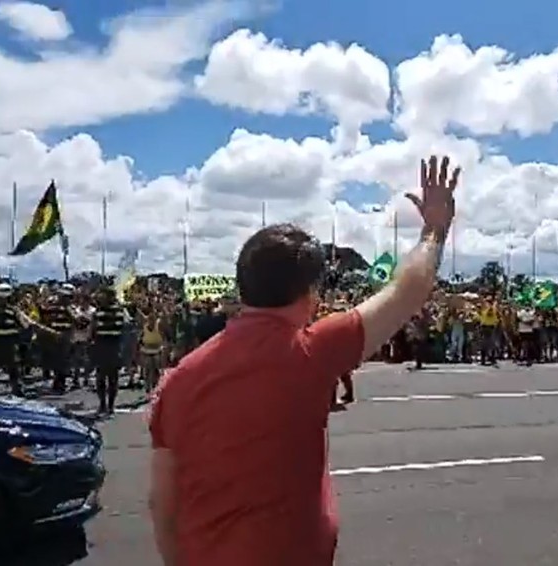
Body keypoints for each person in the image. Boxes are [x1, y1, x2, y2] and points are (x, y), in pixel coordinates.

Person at [147, 155, 459, 566]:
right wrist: (435, 229)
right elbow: (409, 290)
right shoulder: (312, 351)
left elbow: (161, 503)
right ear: (311, 294)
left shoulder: (176, 381)